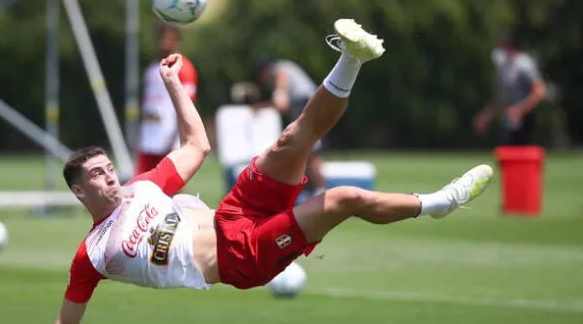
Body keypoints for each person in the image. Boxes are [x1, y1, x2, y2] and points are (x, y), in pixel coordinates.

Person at [55, 19, 494, 324]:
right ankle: (438, 203)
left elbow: (197, 146)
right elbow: (68, 315)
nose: (110, 177)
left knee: (292, 138)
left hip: (232, 214)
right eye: (97, 175)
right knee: (343, 198)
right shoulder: (90, 255)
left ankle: (354, 57)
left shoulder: (142, 187)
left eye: (110, 168)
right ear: (79, 192)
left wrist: (174, 86)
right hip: (239, 258)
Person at [252, 57, 326, 195]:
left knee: (311, 149)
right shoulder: (285, 68)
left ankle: (319, 189)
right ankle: (311, 188)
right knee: (304, 149)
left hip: (306, 104)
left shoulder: (279, 70)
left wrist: (278, 93)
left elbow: (281, 101)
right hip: (309, 103)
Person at [135, 23, 198, 175]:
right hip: (149, 134)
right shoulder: (152, 67)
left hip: (169, 133)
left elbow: (188, 104)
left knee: (171, 180)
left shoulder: (184, 68)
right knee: (142, 180)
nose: (164, 43)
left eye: (169, 39)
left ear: (177, 41)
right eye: (161, 39)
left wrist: (178, 133)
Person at [473, 33, 547, 145]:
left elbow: (540, 91)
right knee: (504, 153)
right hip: (508, 120)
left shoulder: (524, 64)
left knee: (522, 157)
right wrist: (486, 117)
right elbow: (500, 99)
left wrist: (520, 110)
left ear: (510, 47)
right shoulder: (503, 69)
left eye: (500, 47)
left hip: (526, 120)